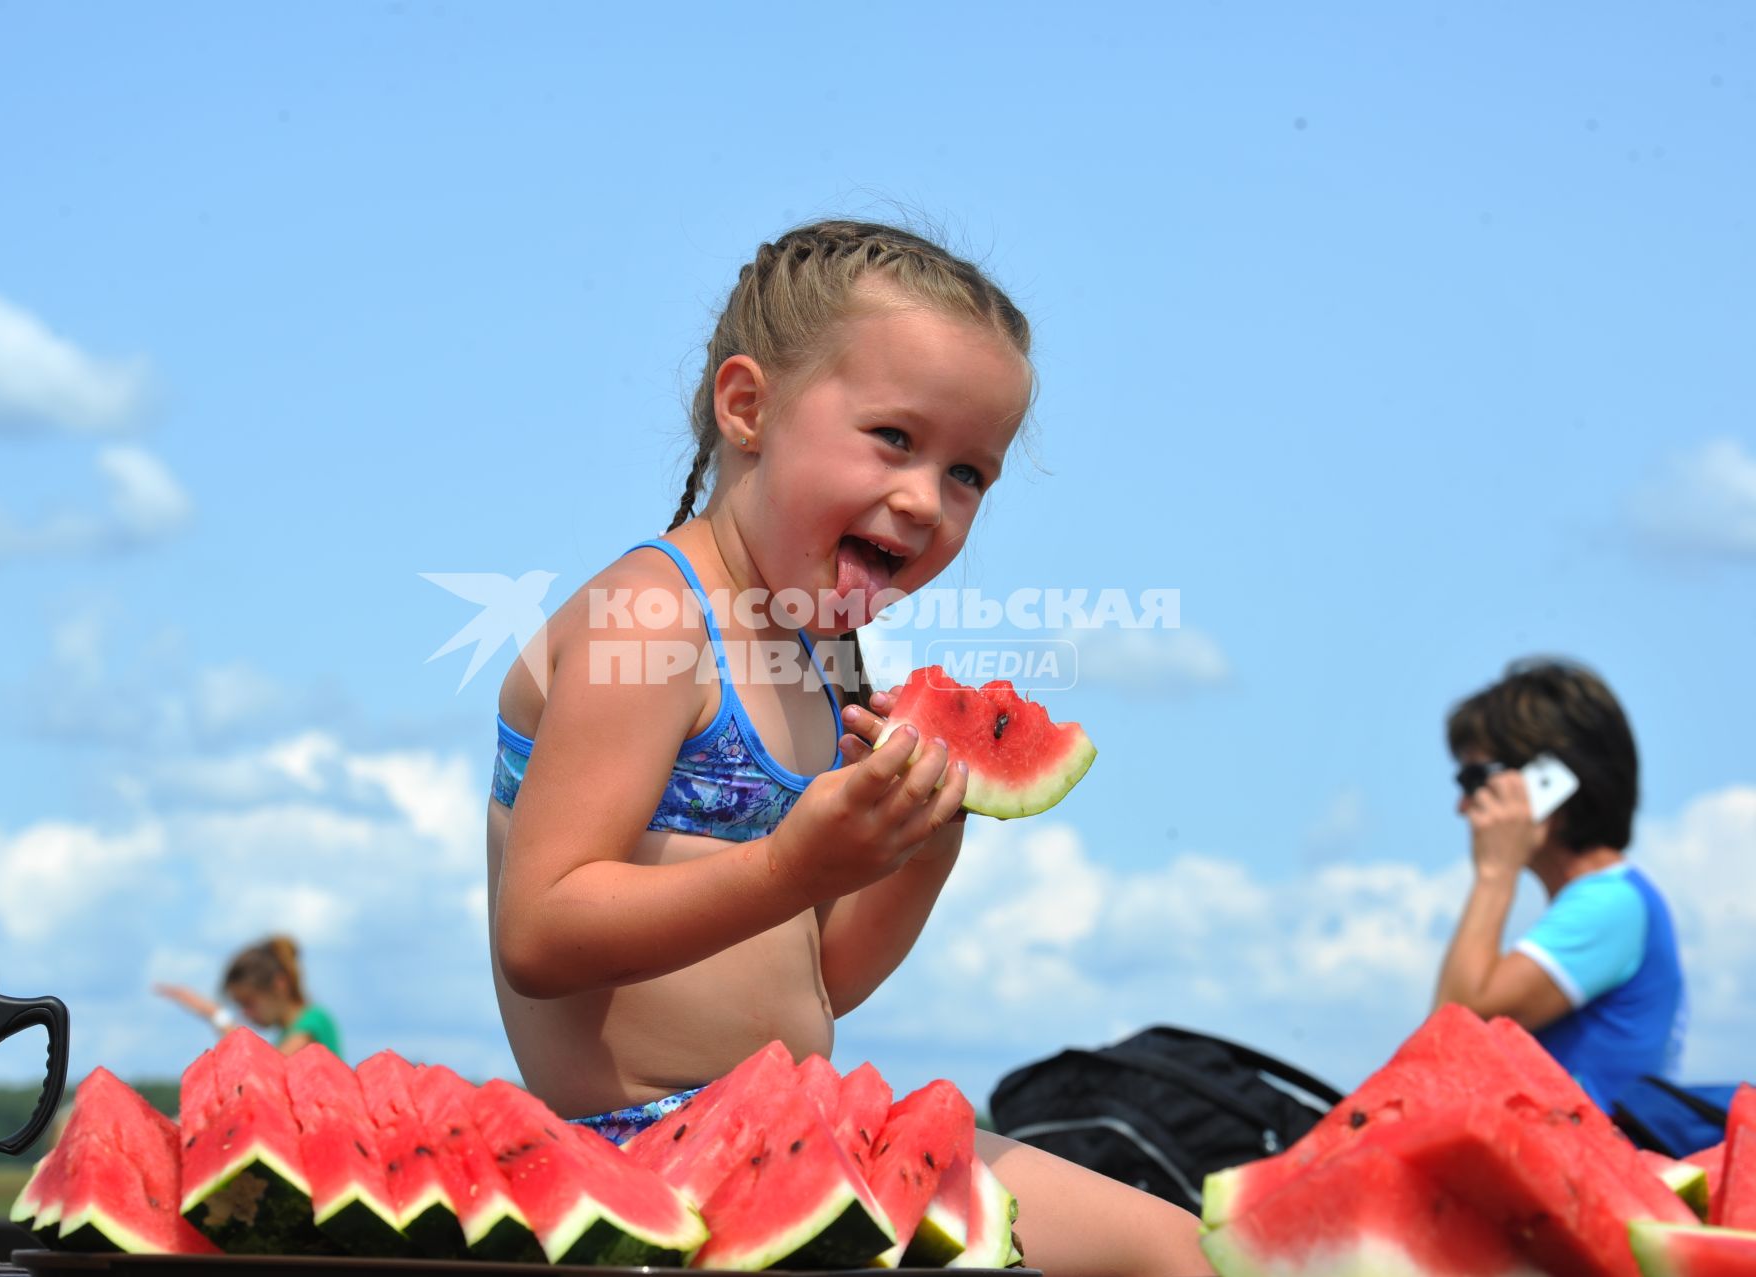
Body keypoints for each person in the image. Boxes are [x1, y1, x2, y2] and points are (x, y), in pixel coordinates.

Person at [485, 220, 1207, 1276]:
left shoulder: (830, 657)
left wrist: (921, 844)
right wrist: (790, 865)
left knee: (1172, 1247)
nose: (926, 499)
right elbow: (540, 934)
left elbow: (828, 976)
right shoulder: (651, 618)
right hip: (638, 1162)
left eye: (969, 473)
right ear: (749, 407)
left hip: (795, 1133)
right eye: (894, 438)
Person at [1434, 658, 1686, 1110]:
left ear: (1548, 781)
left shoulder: (1610, 904)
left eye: (1475, 779)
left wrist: (1495, 874)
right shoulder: (1613, 898)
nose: (1462, 805)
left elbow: (1453, 1030)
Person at [154, 935, 343, 1057]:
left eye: (249, 1002)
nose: (246, 1013)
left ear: (280, 985)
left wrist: (216, 1015)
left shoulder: (313, 1023)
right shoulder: (288, 1032)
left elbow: (261, 1071)